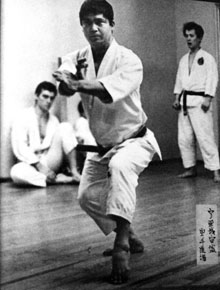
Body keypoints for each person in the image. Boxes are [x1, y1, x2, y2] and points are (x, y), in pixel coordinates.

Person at [53, 0, 161, 284]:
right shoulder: (78, 57)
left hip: (134, 141)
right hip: (102, 146)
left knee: (121, 167)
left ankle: (122, 245)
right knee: (86, 196)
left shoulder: (129, 60)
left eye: (100, 21)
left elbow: (105, 90)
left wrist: (76, 83)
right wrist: (65, 81)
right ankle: (131, 234)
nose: (93, 28)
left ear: (112, 25)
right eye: (87, 23)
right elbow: (64, 83)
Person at [173, 22, 220, 183]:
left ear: (199, 38)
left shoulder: (207, 58)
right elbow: (179, 81)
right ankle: (190, 168)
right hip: (185, 102)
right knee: (184, 138)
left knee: (205, 137)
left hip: (200, 101)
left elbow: (212, 79)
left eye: (192, 36)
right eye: (186, 36)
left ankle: (215, 170)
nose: (188, 39)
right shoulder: (183, 59)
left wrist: (208, 98)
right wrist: (177, 98)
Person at [10, 81, 81, 187]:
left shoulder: (54, 120)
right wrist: (39, 166)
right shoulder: (23, 117)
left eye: (52, 98)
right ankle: (58, 180)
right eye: (45, 96)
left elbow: (59, 146)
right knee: (16, 172)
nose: (48, 101)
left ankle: (74, 173)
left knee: (65, 126)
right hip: (31, 164)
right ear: (36, 96)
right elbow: (20, 146)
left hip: (49, 160)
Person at [74, 101, 96, 173]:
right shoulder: (81, 121)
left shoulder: (91, 123)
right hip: (87, 149)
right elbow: (81, 138)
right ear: (82, 112)